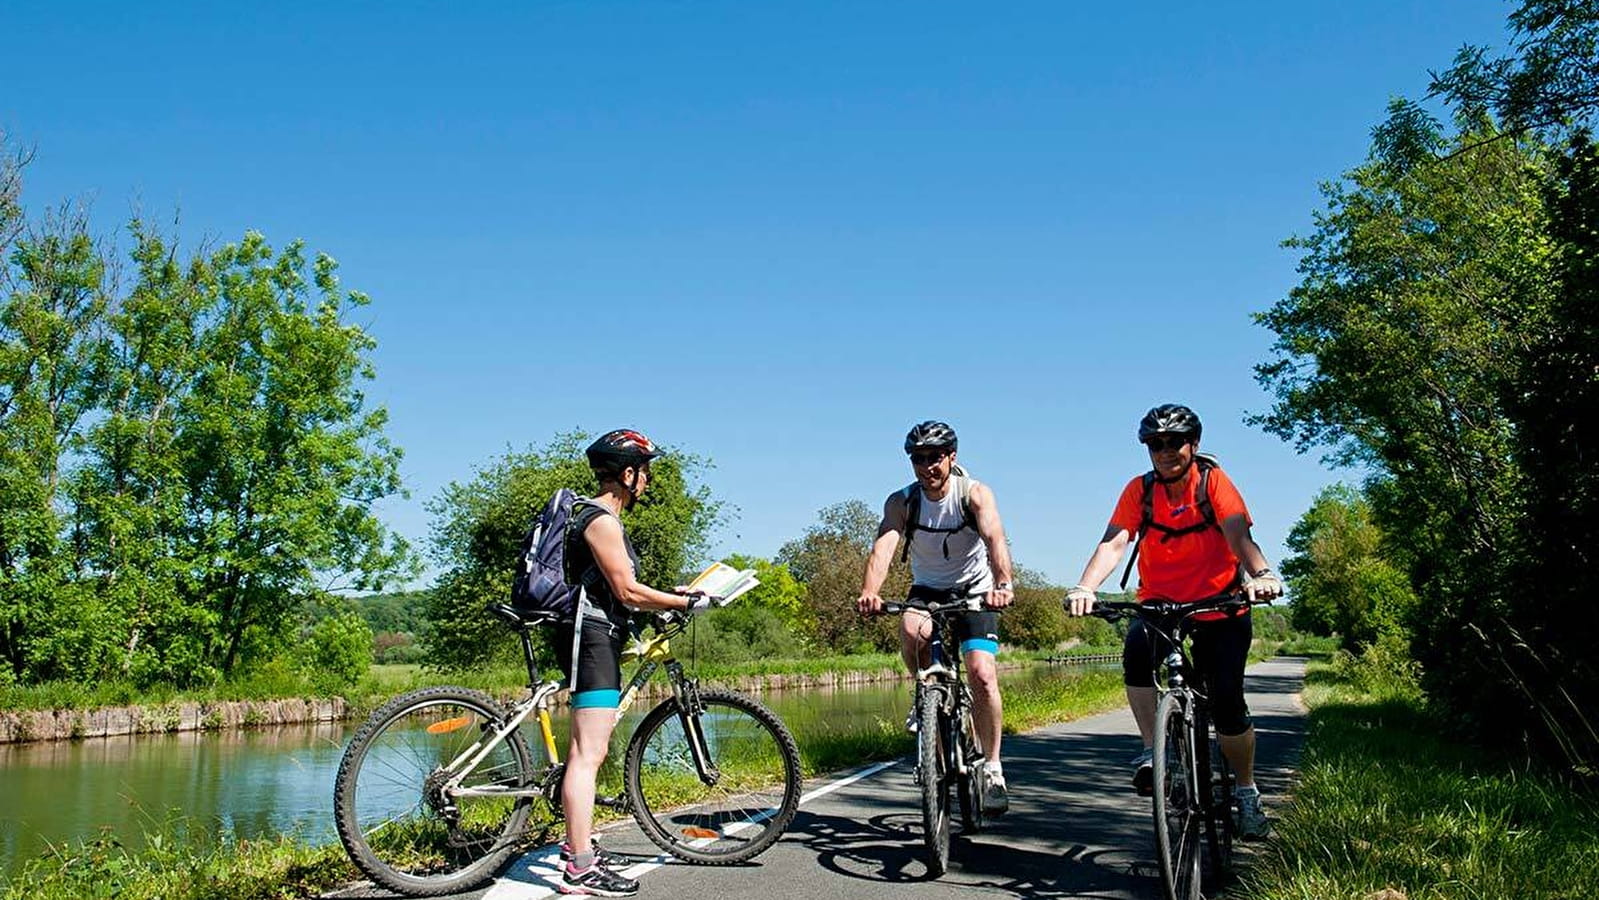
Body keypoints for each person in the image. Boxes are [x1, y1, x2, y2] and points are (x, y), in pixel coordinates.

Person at [1063, 404, 1284, 839]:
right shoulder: (1139, 491)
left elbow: (1239, 535)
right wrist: (1084, 586)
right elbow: (1115, 543)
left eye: (1173, 443)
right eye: (1155, 444)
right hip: (1160, 602)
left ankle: (1246, 792)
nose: (1164, 452)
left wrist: (1261, 574)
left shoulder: (1212, 482)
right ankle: (1154, 750)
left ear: (1193, 445)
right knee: (1137, 652)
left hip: (1221, 604)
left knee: (1227, 704)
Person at [557, 429, 713, 897]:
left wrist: (672, 596)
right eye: (644, 471)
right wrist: (685, 604)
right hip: (592, 641)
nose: (647, 480)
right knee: (588, 755)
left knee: (585, 751)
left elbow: (623, 591)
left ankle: (575, 845)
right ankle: (580, 868)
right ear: (627, 473)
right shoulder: (601, 520)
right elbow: (626, 592)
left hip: (597, 636)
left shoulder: (601, 518)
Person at [857, 420, 1016, 815]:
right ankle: (925, 696)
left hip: (975, 590)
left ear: (952, 457)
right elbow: (883, 548)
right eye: (919, 459)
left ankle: (993, 767)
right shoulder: (903, 501)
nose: (927, 466)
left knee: (981, 673)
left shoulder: (974, 494)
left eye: (935, 457)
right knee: (911, 629)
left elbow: (995, 537)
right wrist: (870, 592)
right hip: (928, 590)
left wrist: (1003, 582)